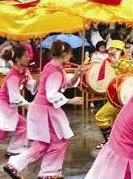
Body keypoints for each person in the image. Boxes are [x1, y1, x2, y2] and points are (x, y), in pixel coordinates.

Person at [3, 40, 83, 179]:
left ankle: (16, 164)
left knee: (43, 144)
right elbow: (52, 94)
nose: (71, 56)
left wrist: (76, 74)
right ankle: (48, 172)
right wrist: (71, 100)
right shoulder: (55, 71)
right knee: (58, 141)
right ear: (64, 54)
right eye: (69, 54)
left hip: (42, 110)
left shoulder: (52, 67)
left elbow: (65, 84)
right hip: (45, 111)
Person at [94, 40, 133, 149]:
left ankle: (109, 143)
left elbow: (130, 75)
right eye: (110, 49)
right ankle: (117, 143)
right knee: (117, 121)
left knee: (101, 116)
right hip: (118, 96)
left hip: (121, 97)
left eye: (113, 49)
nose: (110, 51)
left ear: (120, 51)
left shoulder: (125, 63)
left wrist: (116, 64)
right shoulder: (114, 61)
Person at [0, 45, 37, 158]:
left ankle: (15, 150)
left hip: (10, 107)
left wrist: (39, 81)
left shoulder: (24, 70)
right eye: (25, 56)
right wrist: (27, 105)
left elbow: (31, 86)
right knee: (2, 132)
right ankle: (14, 149)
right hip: (4, 106)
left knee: (22, 126)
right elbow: (14, 96)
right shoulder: (13, 75)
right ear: (17, 59)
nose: (28, 58)